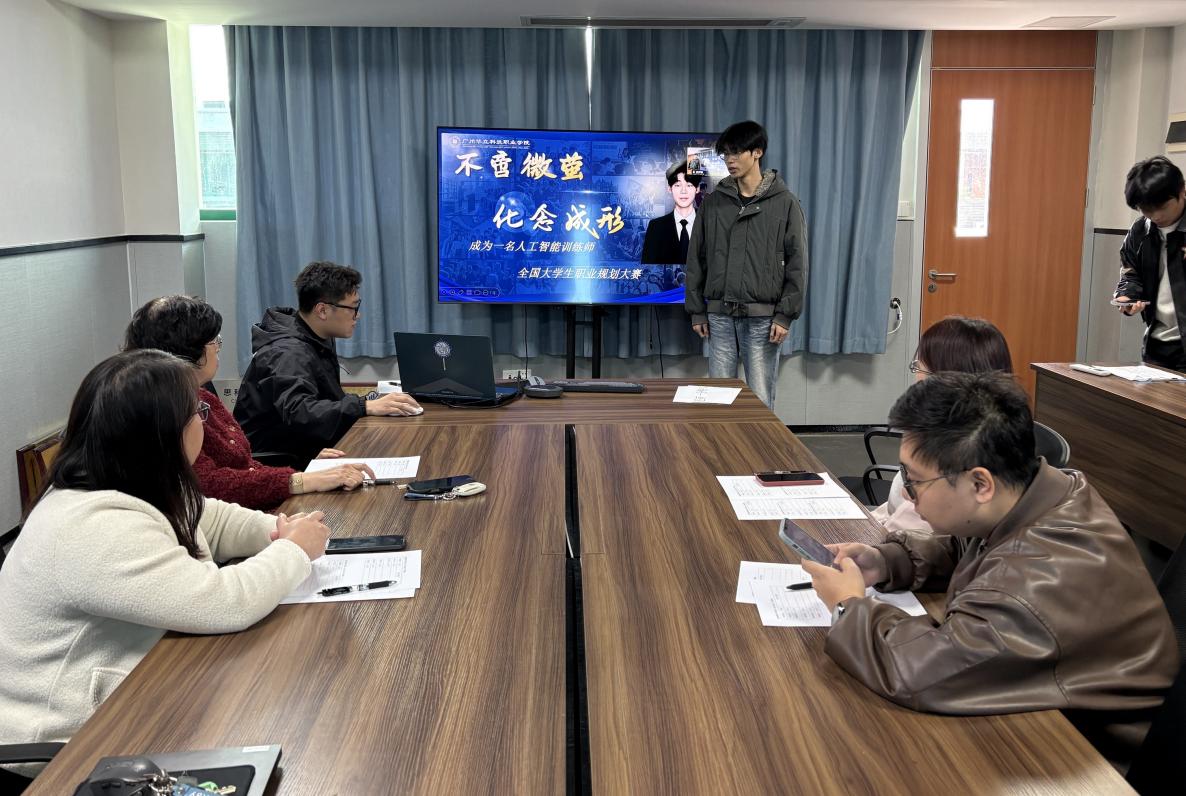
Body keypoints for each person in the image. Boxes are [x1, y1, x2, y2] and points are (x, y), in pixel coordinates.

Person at [803, 372, 1177, 769]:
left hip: (1093, 756)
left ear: (980, 484)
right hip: (1048, 710)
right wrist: (886, 561)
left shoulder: (1033, 582)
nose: (909, 495)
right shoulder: (1045, 492)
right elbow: (970, 545)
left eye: (914, 482)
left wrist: (848, 606)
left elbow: (917, 671)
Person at [0, 350, 330, 781]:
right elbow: (220, 603)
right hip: (67, 748)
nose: (203, 423)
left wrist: (278, 530)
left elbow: (213, 520)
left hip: (137, 694)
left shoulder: (137, 481)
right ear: (161, 432)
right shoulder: (92, 525)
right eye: (197, 413)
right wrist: (293, 551)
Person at [124, 296, 376, 510]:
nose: (217, 348)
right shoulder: (163, 411)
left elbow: (244, 464)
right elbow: (208, 485)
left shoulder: (202, 396)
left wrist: (303, 467)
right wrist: (300, 480)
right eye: (213, 341)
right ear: (188, 350)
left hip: (245, 506)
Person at [234, 261, 421, 465]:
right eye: (353, 308)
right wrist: (364, 405)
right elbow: (300, 412)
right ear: (322, 310)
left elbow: (325, 400)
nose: (358, 315)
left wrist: (369, 402)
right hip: (281, 462)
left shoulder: (316, 336)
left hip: (309, 447)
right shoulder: (287, 352)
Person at [685, 120, 808, 408]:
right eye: (726, 153)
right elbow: (696, 258)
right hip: (720, 316)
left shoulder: (785, 203)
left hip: (763, 318)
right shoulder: (713, 203)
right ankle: (721, 441)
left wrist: (785, 315)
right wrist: (697, 310)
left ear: (757, 152)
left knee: (760, 399)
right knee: (717, 399)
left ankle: (760, 442)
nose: (730, 159)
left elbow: (797, 263)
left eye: (737, 152)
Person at [871, 316, 1013, 534]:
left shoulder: (957, 454)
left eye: (920, 368)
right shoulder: (990, 431)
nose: (917, 379)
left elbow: (914, 533)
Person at [1113, 156, 1186, 371]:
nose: (1155, 216)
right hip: (1157, 343)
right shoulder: (1140, 230)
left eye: (1162, 206)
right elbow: (1130, 272)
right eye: (1146, 209)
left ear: (1182, 190)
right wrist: (1126, 297)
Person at [640, 160, 702, 265]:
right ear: (670, 189)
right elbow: (648, 266)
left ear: (697, 189)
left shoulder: (710, 225)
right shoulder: (656, 227)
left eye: (689, 185)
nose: (683, 191)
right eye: (678, 185)